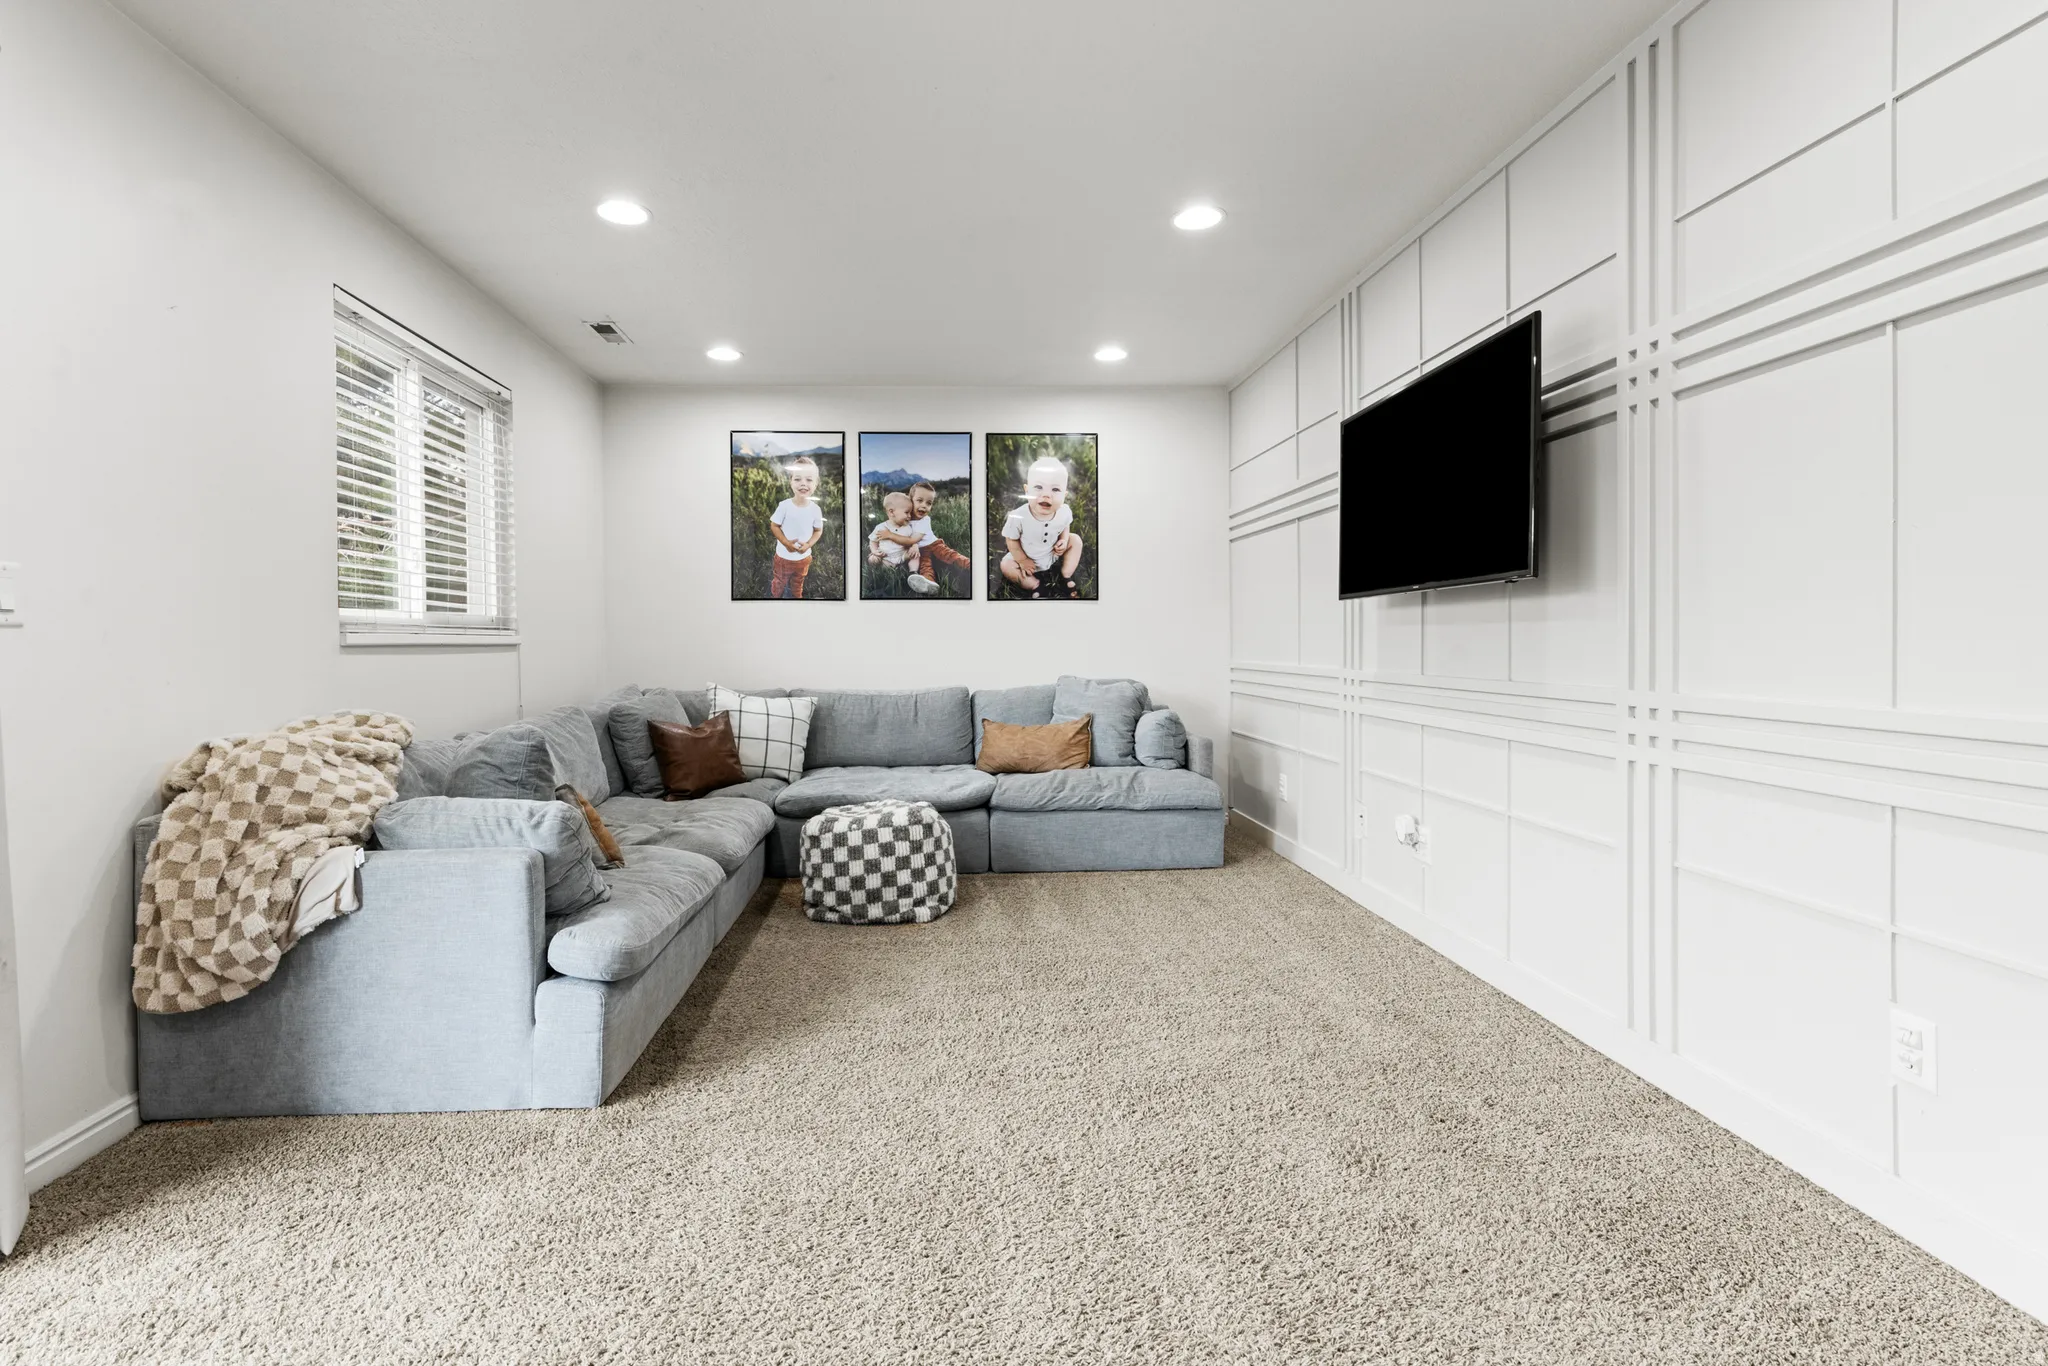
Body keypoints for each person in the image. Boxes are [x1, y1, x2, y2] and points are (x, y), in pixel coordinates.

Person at [999, 456, 1084, 597]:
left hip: (1052, 554)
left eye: (1055, 489)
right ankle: (1035, 585)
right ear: (1027, 490)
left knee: (1075, 540)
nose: (1046, 495)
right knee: (1006, 565)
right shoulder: (1018, 516)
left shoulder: (1064, 511)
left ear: (1064, 495)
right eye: (1038, 487)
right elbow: (1011, 540)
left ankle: (1065, 575)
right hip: (1026, 556)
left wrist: (1063, 540)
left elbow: (1065, 525)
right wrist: (1022, 560)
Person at [767, 456, 826, 599]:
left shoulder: (815, 509)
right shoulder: (784, 506)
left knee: (798, 581)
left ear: (816, 484)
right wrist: (786, 543)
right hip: (783, 557)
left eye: (809, 480)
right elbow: (774, 525)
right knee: (779, 581)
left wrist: (808, 545)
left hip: (804, 557)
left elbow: (818, 530)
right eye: (798, 479)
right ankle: (775, 596)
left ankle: (797, 598)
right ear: (791, 482)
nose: (803, 483)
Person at [867, 491, 922, 575]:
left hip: (902, 555)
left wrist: (914, 547)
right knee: (873, 559)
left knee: (916, 555)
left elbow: (913, 540)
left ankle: (913, 572)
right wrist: (874, 551)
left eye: (910, 513)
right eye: (906, 512)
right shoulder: (881, 528)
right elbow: (873, 541)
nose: (910, 516)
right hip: (885, 557)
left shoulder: (908, 528)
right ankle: (879, 570)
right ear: (891, 512)